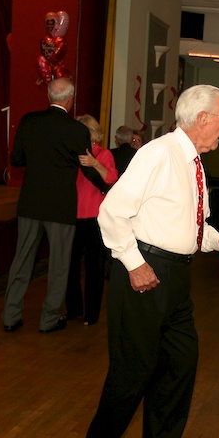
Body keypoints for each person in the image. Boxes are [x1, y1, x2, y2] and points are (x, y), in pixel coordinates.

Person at [81, 85, 219, 438]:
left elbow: (190, 225)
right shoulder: (158, 154)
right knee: (133, 367)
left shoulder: (194, 163)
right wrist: (134, 265)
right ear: (202, 119)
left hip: (176, 277)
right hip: (145, 273)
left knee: (180, 362)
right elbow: (111, 212)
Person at [1, 78, 97, 334]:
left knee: (21, 261)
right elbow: (88, 169)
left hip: (31, 203)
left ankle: (10, 316)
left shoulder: (29, 122)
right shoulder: (77, 131)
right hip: (60, 207)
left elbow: (17, 159)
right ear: (70, 99)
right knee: (59, 265)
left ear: (48, 96)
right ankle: (49, 320)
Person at [65, 114, 119, 325]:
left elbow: (111, 178)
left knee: (94, 267)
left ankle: (92, 314)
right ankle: (74, 309)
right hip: (73, 216)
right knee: (70, 266)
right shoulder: (72, 154)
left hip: (95, 218)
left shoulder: (103, 154)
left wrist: (94, 163)